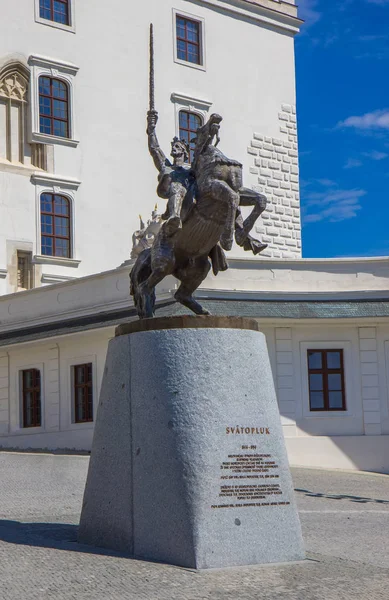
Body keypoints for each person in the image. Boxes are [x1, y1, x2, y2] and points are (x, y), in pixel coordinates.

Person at [147, 109, 194, 235]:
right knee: (176, 186)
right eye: (173, 146)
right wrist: (151, 129)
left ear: (185, 153)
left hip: (188, 202)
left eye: (178, 147)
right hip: (170, 193)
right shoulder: (166, 166)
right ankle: (174, 218)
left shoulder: (189, 172)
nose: (174, 148)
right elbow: (154, 149)